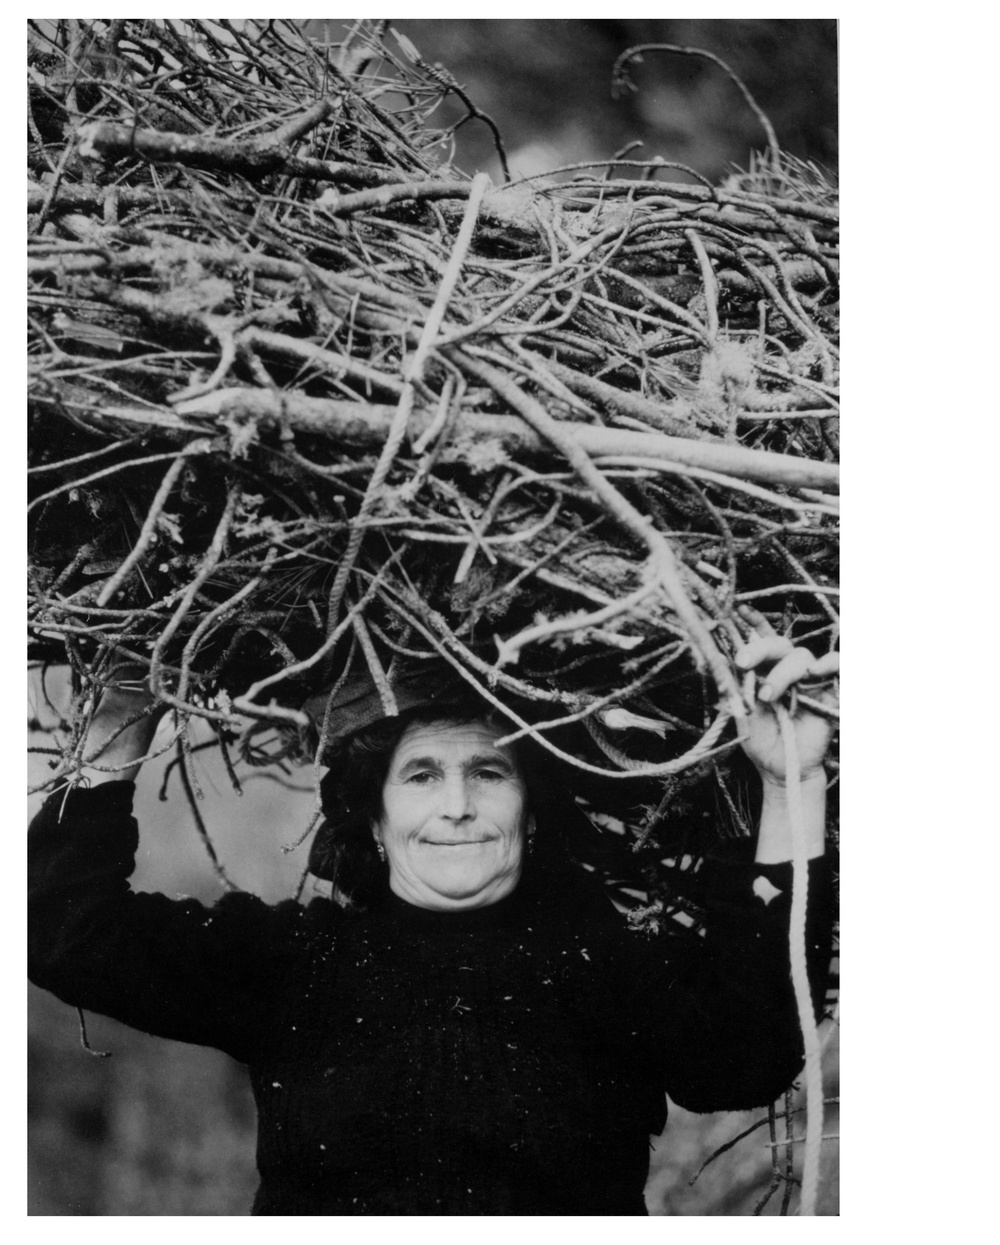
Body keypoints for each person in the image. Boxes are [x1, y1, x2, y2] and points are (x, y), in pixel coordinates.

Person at [28, 630, 835, 1216]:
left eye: (488, 771)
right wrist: (117, 724)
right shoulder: (297, 964)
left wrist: (791, 784)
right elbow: (67, 929)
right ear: (374, 821)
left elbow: (748, 1050)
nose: (457, 804)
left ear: (531, 810)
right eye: (421, 775)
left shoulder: (604, 960)